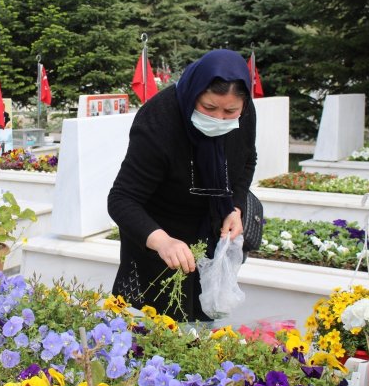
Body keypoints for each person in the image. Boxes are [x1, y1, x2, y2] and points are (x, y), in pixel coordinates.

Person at [108, 49, 257, 322]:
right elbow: (122, 199)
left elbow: (247, 161)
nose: (220, 119)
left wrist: (234, 207)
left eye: (230, 111)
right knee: (157, 331)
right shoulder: (159, 120)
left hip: (210, 234)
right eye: (209, 108)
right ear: (194, 94)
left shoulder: (244, 115)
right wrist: (162, 241)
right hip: (159, 240)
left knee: (203, 325)